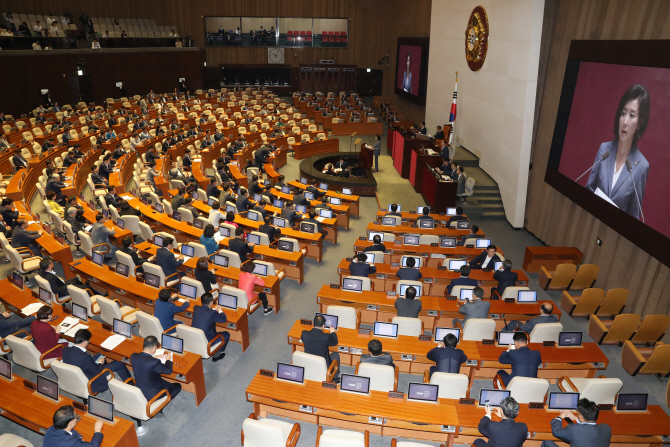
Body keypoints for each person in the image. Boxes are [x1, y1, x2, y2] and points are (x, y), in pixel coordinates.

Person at [586, 84, 650, 220]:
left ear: (639, 123)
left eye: (632, 115)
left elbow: (633, 216)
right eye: (623, 113)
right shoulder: (604, 150)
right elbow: (588, 190)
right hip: (589, 223)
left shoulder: (641, 167)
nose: (625, 121)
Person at [62, 329, 131, 393]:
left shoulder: (65, 350)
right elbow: (98, 371)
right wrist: (100, 362)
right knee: (118, 363)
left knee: (99, 355)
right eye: (88, 340)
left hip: (79, 373)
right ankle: (130, 382)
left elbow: (84, 362)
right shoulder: (85, 357)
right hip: (92, 378)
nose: (89, 342)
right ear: (85, 342)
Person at [541, 398, 612, 447]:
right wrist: (577, 418)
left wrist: (559, 418)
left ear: (581, 417)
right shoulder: (606, 428)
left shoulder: (574, 429)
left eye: (577, 413)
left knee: (546, 442)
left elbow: (556, 432)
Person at [130, 335, 181, 400]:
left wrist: (152, 357)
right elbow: (168, 371)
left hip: (139, 388)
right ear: (154, 347)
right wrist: (168, 360)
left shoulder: (133, 356)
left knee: (166, 382)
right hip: (154, 393)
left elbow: (144, 359)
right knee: (178, 386)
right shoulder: (155, 362)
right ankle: (160, 405)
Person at [192, 292, 229, 361]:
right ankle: (217, 355)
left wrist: (213, 310)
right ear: (211, 302)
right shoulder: (212, 313)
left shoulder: (196, 308)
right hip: (207, 341)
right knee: (226, 334)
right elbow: (224, 319)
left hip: (195, 339)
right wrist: (220, 310)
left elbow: (205, 313)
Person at [302, 315, 340, 382]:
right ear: (323, 326)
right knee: (336, 355)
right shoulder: (326, 337)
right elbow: (335, 342)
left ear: (313, 324)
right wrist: (332, 332)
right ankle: (334, 377)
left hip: (309, 363)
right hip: (323, 365)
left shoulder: (304, 334)